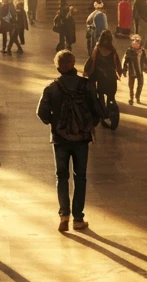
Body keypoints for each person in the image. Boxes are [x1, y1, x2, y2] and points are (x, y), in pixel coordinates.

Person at [37, 50, 104, 232]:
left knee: (61, 176)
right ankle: (78, 218)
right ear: (73, 63)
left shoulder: (51, 88)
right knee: (80, 176)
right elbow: (98, 110)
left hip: (60, 139)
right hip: (82, 138)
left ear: (58, 67)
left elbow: (41, 113)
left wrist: (57, 123)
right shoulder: (86, 85)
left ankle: (63, 215)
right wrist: (88, 125)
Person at [84, 29, 123, 116]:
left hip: (100, 74)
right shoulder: (112, 50)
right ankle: (108, 110)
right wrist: (119, 72)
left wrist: (88, 71)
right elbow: (117, 63)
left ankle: (103, 110)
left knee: (101, 93)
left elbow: (92, 60)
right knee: (110, 95)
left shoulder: (97, 48)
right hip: (110, 75)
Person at [122, 34, 147, 104]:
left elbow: (145, 60)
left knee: (140, 84)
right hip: (132, 71)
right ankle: (131, 98)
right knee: (131, 86)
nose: (135, 45)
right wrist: (124, 70)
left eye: (137, 43)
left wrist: (146, 68)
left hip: (139, 71)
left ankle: (137, 97)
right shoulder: (129, 51)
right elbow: (125, 61)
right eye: (134, 43)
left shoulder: (142, 51)